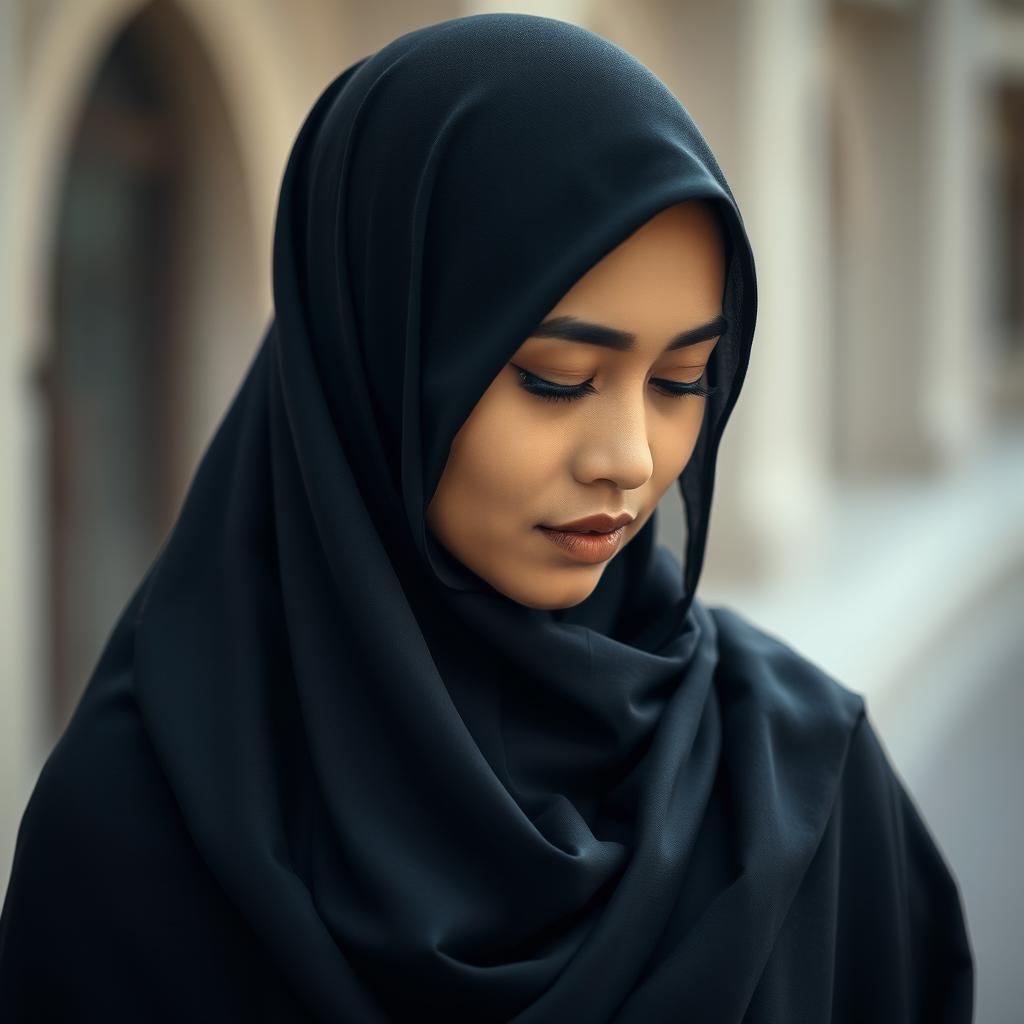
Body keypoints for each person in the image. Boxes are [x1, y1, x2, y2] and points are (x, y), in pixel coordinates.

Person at [0, 12, 973, 1022]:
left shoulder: (799, 780)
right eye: (555, 380)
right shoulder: (133, 833)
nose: (630, 461)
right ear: (376, 360)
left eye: (682, 379)